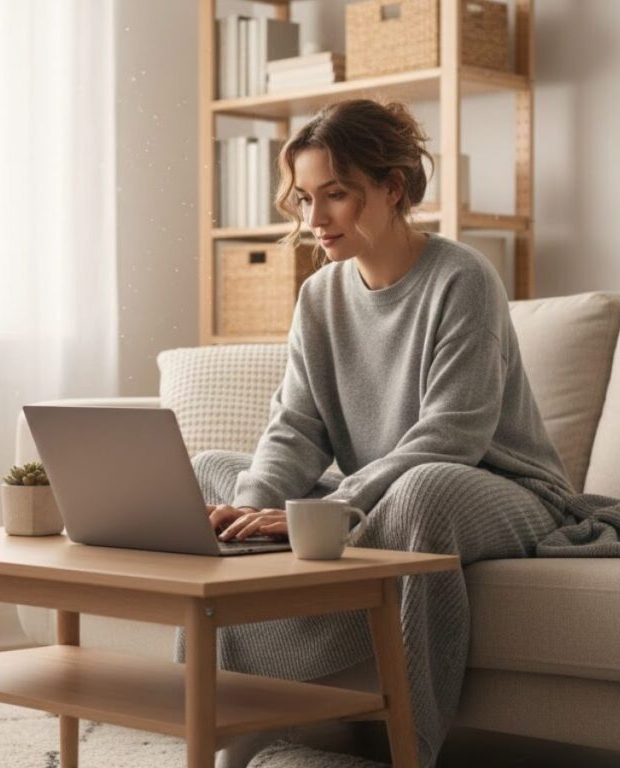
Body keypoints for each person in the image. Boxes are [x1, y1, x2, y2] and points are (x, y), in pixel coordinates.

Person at [181, 98, 575, 768]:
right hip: (380, 491)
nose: (315, 220)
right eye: (304, 199)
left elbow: (452, 435)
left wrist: (321, 512)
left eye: (336, 196)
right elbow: (296, 428)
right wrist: (250, 507)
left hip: (500, 489)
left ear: (392, 188)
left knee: (424, 490)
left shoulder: (462, 278)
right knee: (211, 474)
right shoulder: (319, 296)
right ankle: (230, 719)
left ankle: (408, 746)